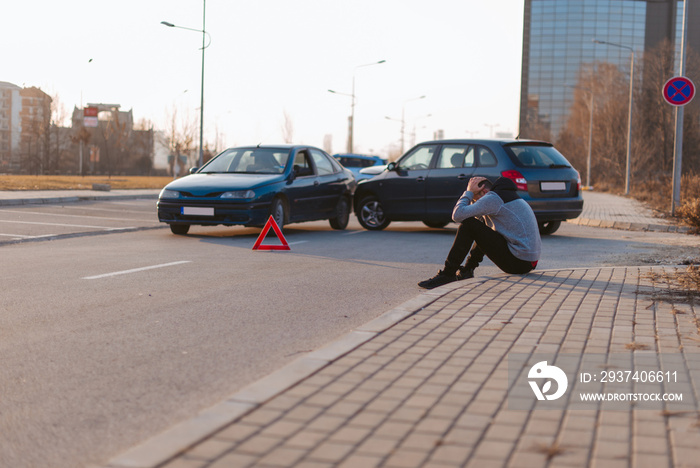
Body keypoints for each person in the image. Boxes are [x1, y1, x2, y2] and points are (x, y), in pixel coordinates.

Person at [418, 176, 541, 289]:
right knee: (480, 224)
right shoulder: (505, 196)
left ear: (484, 192)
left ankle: (448, 274)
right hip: (527, 261)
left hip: (518, 262)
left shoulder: (493, 198)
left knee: (468, 224)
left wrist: (468, 193)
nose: (476, 203)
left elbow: (457, 215)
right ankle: (467, 270)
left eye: (476, 199)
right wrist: (473, 197)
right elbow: (478, 224)